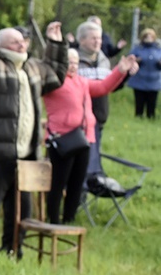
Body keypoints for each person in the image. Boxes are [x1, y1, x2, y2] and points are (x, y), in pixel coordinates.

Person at [0, 14, 68, 256]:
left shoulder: (32, 67)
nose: (21, 45)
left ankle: (12, 251)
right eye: (14, 42)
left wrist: (55, 44)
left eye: (22, 41)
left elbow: (57, 74)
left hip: (26, 155)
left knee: (21, 210)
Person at [43, 49, 135, 224]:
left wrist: (120, 70)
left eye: (76, 62)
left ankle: (69, 219)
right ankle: (53, 220)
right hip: (62, 140)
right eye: (69, 62)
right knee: (59, 182)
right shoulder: (54, 82)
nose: (73, 66)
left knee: (77, 183)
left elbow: (103, 87)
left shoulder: (82, 82)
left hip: (84, 139)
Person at [75, 20, 137, 178]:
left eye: (100, 38)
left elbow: (109, 87)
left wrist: (125, 75)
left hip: (100, 117)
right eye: (93, 38)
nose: (98, 42)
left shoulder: (104, 60)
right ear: (82, 40)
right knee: (80, 165)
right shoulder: (74, 62)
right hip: (79, 122)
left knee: (93, 162)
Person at [127, 28, 161, 119]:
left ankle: (151, 118)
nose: (148, 38)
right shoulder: (137, 49)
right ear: (143, 38)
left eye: (150, 36)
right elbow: (129, 60)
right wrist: (136, 61)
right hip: (139, 81)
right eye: (146, 36)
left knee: (152, 104)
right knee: (139, 103)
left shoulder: (158, 50)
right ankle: (138, 118)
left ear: (154, 38)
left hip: (154, 81)